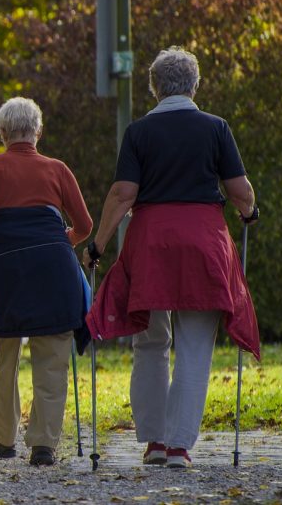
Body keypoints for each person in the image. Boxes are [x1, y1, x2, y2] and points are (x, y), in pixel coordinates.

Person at [81, 46, 260, 469]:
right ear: (194, 85)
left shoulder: (139, 132)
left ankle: (155, 441)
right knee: (195, 345)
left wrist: (98, 244)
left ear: (155, 87)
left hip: (151, 243)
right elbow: (239, 191)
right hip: (204, 243)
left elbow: (123, 195)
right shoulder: (216, 127)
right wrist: (249, 211)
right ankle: (180, 446)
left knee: (150, 340)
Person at [0, 97, 94, 467]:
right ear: (38, 131)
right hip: (54, 269)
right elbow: (85, 225)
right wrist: (62, 241)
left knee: (6, 352)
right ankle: (43, 445)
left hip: (6, 270)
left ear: (2, 133)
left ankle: (2, 434)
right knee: (53, 358)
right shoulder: (58, 169)